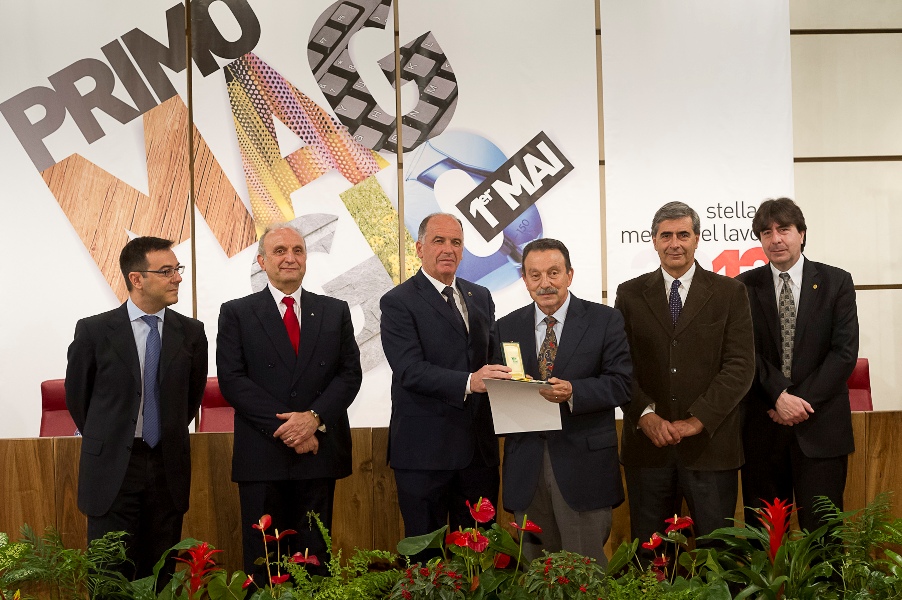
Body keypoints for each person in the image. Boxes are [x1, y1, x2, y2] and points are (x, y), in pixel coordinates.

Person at [216, 222, 362, 577]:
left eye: (298, 250)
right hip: (262, 455)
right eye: (279, 251)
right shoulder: (237, 313)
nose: (290, 258)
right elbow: (233, 381)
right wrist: (292, 429)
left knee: (315, 562)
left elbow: (349, 375)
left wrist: (314, 418)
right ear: (261, 261)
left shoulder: (334, 310)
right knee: (265, 564)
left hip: (318, 453)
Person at [65, 236, 208, 581]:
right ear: (136, 278)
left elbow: (191, 399)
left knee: (159, 575)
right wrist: (112, 434)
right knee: (109, 576)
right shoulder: (94, 331)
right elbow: (78, 398)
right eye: (166, 271)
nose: (177, 278)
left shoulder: (191, 332)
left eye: (177, 269)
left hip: (167, 466)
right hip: (113, 467)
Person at [615, 201, 754, 547]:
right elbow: (619, 365)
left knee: (717, 555)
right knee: (651, 557)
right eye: (666, 235)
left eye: (682, 234)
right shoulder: (629, 294)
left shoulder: (730, 292)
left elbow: (740, 365)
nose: (674, 243)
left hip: (710, 448)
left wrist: (698, 420)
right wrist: (645, 415)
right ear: (654, 240)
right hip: (648, 450)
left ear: (697, 238)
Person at [495, 238, 631, 565]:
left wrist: (574, 392)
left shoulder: (604, 320)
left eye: (553, 273)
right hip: (526, 468)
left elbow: (622, 384)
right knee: (535, 573)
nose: (545, 283)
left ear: (569, 275)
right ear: (525, 280)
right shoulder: (505, 327)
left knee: (586, 573)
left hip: (584, 468)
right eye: (535, 275)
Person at [380, 213, 511, 540]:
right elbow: (409, 370)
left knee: (480, 554)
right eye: (438, 241)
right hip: (424, 454)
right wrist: (470, 382)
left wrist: (515, 377)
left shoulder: (481, 296)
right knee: (426, 558)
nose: (448, 249)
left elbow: (492, 357)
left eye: (456, 242)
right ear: (419, 248)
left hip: (478, 454)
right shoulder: (397, 302)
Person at [737, 197, 858, 530]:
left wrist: (797, 402)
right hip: (763, 428)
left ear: (802, 234)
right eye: (766, 232)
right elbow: (742, 353)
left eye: (784, 230)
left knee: (823, 538)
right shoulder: (741, 287)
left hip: (820, 429)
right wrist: (778, 396)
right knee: (765, 539)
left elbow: (844, 353)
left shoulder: (837, 282)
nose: (776, 239)